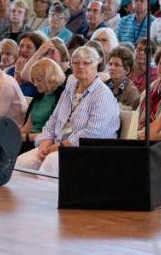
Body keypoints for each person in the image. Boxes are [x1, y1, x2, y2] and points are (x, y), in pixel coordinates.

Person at [15, 46, 121, 176]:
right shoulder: (70, 89)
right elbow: (53, 120)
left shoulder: (102, 94)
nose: (80, 66)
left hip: (88, 150)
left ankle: (48, 196)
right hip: (58, 145)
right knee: (22, 163)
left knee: (51, 163)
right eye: (75, 63)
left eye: (86, 63)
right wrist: (45, 141)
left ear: (96, 65)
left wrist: (62, 145)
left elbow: (94, 132)